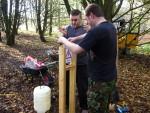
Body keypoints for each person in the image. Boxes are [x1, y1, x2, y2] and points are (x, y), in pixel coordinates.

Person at [58, 4, 117, 113]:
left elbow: (76, 49)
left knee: (95, 107)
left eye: (86, 19)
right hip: (110, 77)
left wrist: (63, 39)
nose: (87, 22)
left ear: (92, 15)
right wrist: (74, 37)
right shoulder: (110, 26)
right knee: (103, 107)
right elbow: (90, 35)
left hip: (99, 80)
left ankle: (84, 107)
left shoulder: (96, 31)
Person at [59, 9, 89, 113]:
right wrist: (62, 35)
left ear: (81, 18)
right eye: (71, 20)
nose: (73, 22)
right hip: (69, 63)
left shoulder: (86, 29)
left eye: (75, 20)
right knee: (66, 85)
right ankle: (68, 104)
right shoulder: (68, 28)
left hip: (82, 63)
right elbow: (60, 42)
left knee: (82, 87)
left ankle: (84, 107)